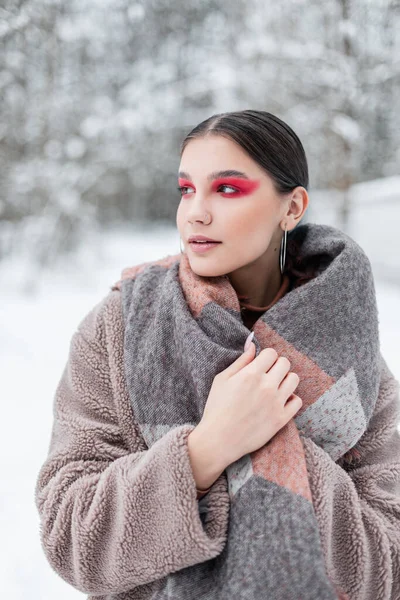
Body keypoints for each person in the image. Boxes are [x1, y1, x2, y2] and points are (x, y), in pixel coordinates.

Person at [35, 110, 400, 600]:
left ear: (292, 208)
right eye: (186, 189)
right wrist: (207, 449)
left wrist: (279, 449)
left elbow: (390, 562)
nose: (195, 213)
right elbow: (71, 538)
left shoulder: (349, 359)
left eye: (226, 189)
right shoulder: (121, 328)